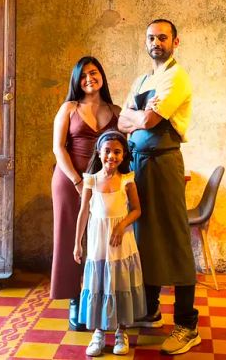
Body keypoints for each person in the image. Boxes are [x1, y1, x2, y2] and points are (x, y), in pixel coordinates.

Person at [118, 19, 199, 355]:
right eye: (151, 37)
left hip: (164, 162)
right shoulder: (143, 79)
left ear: (175, 42)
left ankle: (186, 324)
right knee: (144, 237)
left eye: (162, 37)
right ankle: (150, 309)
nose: (156, 42)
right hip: (139, 163)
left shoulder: (177, 76)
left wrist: (138, 116)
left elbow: (148, 121)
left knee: (174, 239)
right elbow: (122, 120)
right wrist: (139, 114)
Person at [51, 56, 121, 330]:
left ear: (101, 75)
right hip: (70, 182)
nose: (89, 79)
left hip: (104, 185)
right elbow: (58, 148)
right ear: (76, 81)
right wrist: (79, 182)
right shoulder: (69, 108)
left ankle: (100, 298)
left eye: (93, 73)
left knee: (100, 240)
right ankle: (74, 300)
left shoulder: (116, 110)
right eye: (83, 76)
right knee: (71, 238)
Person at [73, 130, 145, 356]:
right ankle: (98, 332)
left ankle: (121, 331)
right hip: (98, 244)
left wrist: (121, 225)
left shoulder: (127, 180)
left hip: (121, 243)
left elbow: (137, 210)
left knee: (120, 283)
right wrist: (77, 243)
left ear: (123, 156)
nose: (111, 156)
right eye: (107, 151)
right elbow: (84, 212)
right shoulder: (91, 180)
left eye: (117, 152)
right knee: (99, 284)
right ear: (98, 152)